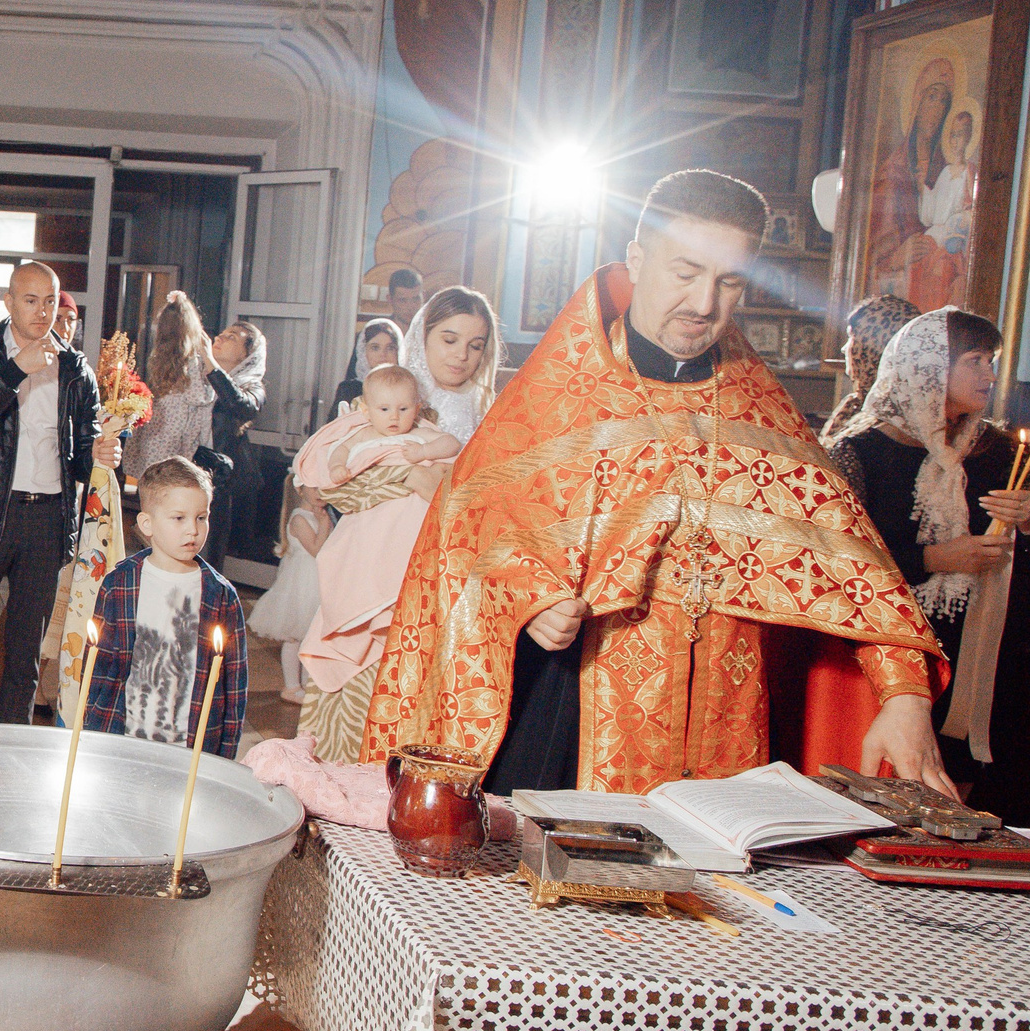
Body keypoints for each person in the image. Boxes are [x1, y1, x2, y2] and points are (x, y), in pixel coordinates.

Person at [360, 169, 949, 796]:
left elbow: (847, 561)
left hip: (726, 723)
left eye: (729, 281)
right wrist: (527, 603)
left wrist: (905, 691)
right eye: (686, 272)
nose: (703, 304)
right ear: (637, 260)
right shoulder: (559, 396)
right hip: (572, 708)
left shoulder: (759, 412)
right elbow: (467, 536)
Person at [823, 309, 1030, 787]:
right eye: (975, 360)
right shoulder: (859, 451)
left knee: (961, 789)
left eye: (992, 360)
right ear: (928, 367)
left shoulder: (998, 450)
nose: (990, 374)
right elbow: (837, 563)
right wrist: (933, 559)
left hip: (981, 650)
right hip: (895, 651)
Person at [0, 260, 111, 724]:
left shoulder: (76, 367)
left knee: (26, 650)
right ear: (10, 302)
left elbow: (81, 457)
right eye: (31, 300)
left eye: (51, 301)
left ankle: (11, 746)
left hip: (48, 518)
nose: (42, 312)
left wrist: (101, 453)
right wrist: (16, 370)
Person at [293, 367, 460, 760]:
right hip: (364, 544)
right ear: (368, 410)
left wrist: (421, 459)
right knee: (355, 615)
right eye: (385, 408)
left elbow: (452, 454)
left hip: (413, 546)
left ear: (416, 408)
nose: (395, 417)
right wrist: (345, 470)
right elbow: (336, 473)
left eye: (403, 409)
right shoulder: (361, 435)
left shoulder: (422, 434)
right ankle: (333, 758)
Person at [79, 457, 249, 756]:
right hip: (122, 740)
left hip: (191, 747)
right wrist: (91, 738)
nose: (193, 531)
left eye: (201, 517)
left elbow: (234, 687)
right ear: (147, 524)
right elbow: (98, 670)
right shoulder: (119, 584)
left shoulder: (221, 596)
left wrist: (226, 757)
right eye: (178, 518)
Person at [245, 480, 326, 705]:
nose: (321, 493)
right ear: (299, 490)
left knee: (309, 638)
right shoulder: (300, 518)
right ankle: (292, 686)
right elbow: (317, 550)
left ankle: (306, 685)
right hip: (302, 586)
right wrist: (325, 523)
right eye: (314, 488)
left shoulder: (319, 516)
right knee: (294, 637)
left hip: (317, 583)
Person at [123, 293, 215, 478]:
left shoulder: (157, 357)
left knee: (151, 484)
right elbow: (200, 397)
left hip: (154, 430)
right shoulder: (193, 361)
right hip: (177, 435)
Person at [203, 320, 269, 567]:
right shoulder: (198, 376)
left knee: (209, 557)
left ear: (247, 355)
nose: (219, 338)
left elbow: (241, 405)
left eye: (231, 337)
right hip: (188, 471)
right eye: (219, 333)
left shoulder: (253, 386)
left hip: (220, 484)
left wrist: (211, 365)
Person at [398, 286, 499, 441]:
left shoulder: (490, 412)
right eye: (450, 341)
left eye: (475, 346)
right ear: (423, 337)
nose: (462, 355)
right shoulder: (391, 400)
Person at [819, 294, 921, 445]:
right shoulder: (855, 404)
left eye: (851, 337)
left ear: (869, 349)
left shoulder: (885, 424)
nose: (844, 348)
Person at [330, 317, 402, 411]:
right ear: (363, 352)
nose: (383, 354)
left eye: (390, 348)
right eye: (375, 348)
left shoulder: (406, 388)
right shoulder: (348, 390)